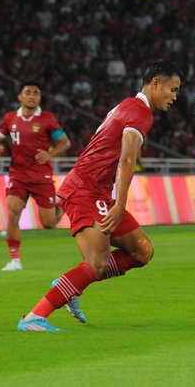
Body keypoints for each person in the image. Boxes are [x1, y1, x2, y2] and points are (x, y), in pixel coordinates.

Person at [17, 60, 184, 332]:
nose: (175, 97)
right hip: (85, 189)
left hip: (98, 192)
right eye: (173, 89)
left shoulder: (128, 106)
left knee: (142, 252)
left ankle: (69, 285)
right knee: (96, 264)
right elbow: (128, 159)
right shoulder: (140, 113)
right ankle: (35, 317)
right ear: (156, 83)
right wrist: (120, 204)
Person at [0, 83, 71, 271]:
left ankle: (64, 204)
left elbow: (65, 142)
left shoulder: (47, 119)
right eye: (28, 93)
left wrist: (49, 154)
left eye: (36, 93)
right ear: (20, 97)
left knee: (49, 223)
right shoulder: (9, 118)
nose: (32, 96)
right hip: (17, 174)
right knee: (12, 213)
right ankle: (14, 260)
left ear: (40, 99)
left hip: (40, 175)